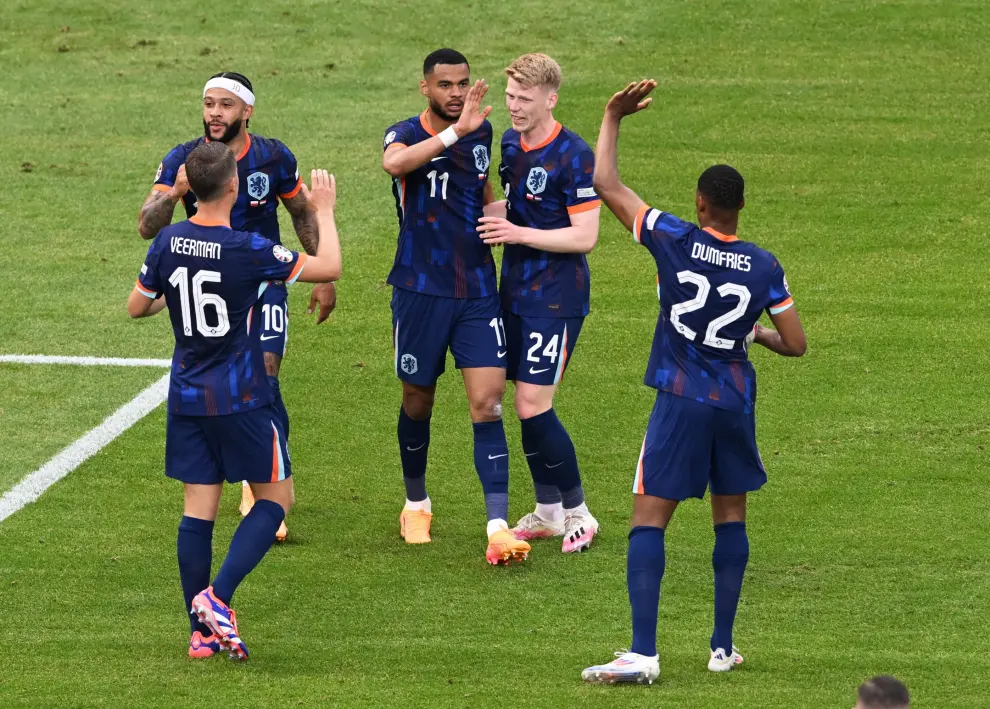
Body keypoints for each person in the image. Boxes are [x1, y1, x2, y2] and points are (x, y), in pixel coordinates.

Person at [581, 80, 807, 684]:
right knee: (730, 517)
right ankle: (721, 648)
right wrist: (754, 335)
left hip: (680, 399)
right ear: (739, 207)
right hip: (734, 402)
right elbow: (796, 343)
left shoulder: (674, 238)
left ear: (702, 202)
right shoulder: (764, 265)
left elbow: (606, 184)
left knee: (648, 521)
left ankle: (644, 652)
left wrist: (612, 116)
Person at [127, 142, 342, 659]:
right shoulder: (248, 248)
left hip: (186, 395)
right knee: (275, 500)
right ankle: (217, 600)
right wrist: (325, 212)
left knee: (199, 512)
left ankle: (199, 636)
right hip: (243, 397)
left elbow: (138, 306)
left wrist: (174, 293)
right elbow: (327, 266)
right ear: (233, 186)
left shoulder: (169, 240)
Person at [137, 71, 337, 542]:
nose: (214, 114)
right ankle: (255, 476)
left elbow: (300, 212)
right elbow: (148, 226)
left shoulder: (272, 156)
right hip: (214, 285)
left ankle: (264, 487)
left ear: (247, 111)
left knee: (265, 372)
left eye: (226, 105)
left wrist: (321, 275)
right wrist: (175, 191)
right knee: (228, 379)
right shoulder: (186, 160)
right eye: (209, 103)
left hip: (265, 280)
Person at [382, 48, 530, 565]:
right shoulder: (403, 132)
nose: (456, 92)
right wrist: (454, 132)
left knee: (488, 403)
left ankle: (497, 525)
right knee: (418, 400)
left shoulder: (482, 133)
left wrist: (499, 216)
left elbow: (480, 183)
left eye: (462, 83)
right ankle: (416, 503)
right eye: (445, 84)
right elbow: (394, 164)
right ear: (425, 87)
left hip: (476, 292)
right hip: (419, 291)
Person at [477, 53, 601, 553]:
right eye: (510, 97)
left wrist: (515, 233)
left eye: (525, 99)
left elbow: (585, 235)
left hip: (556, 298)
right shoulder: (510, 142)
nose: (515, 107)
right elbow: (514, 203)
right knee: (519, 405)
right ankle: (548, 511)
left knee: (533, 404)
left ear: (551, 98)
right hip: (515, 293)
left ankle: (579, 511)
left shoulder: (574, 154)